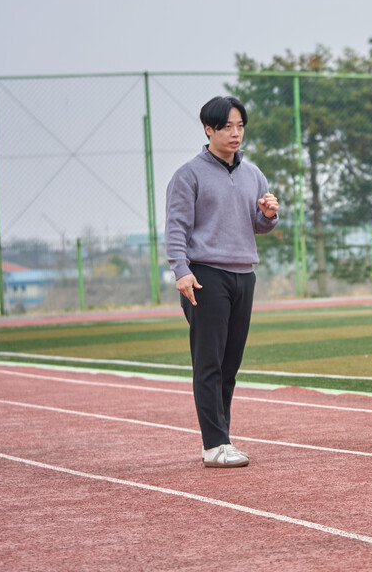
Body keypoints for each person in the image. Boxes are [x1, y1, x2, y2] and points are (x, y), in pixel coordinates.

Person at [165, 95, 279, 468]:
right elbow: (176, 228)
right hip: (205, 275)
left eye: (240, 126)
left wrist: (268, 216)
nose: (235, 133)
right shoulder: (189, 175)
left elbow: (259, 227)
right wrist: (181, 271)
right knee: (209, 362)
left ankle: (223, 440)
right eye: (227, 126)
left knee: (229, 364)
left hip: (244, 275)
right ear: (208, 130)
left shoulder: (253, 173)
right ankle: (214, 444)